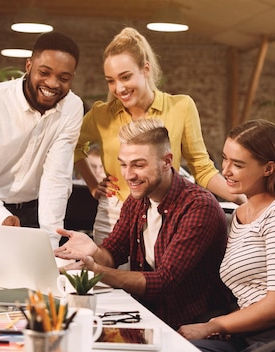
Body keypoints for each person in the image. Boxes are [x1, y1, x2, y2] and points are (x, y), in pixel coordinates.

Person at [54, 118, 234, 330]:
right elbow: (113, 253)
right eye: (123, 164)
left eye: (138, 165)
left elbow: (163, 282)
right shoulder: (136, 201)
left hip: (189, 327)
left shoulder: (199, 207)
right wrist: (93, 250)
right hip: (146, 316)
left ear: (167, 161)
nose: (128, 175)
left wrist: (97, 270)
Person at [74, 27, 245, 245]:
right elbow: (74, 145)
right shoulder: (101, 114)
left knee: (157, 279)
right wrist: (92, 183)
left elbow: (201, 168)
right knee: (108, 277)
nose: (119, 88)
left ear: (145, 69)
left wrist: (243, 198)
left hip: (165, 212)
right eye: (111, 80)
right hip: (114, 214)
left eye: (125, 77)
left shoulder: (181, 107)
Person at [178, 119, 275, 352]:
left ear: (268, 168)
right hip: (253, 333)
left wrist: (212, 326)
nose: (226, 170)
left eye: (237, 164)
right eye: (225, 158)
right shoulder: (239, 215)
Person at [0, 31, 84, 266]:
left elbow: (57, 179)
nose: (52, 84)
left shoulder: (72, 107)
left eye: (64, 78)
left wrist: (51, 243)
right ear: (29, 65)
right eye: (44, 72)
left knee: (30, 291)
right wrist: (2, 217)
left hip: (31, 214)